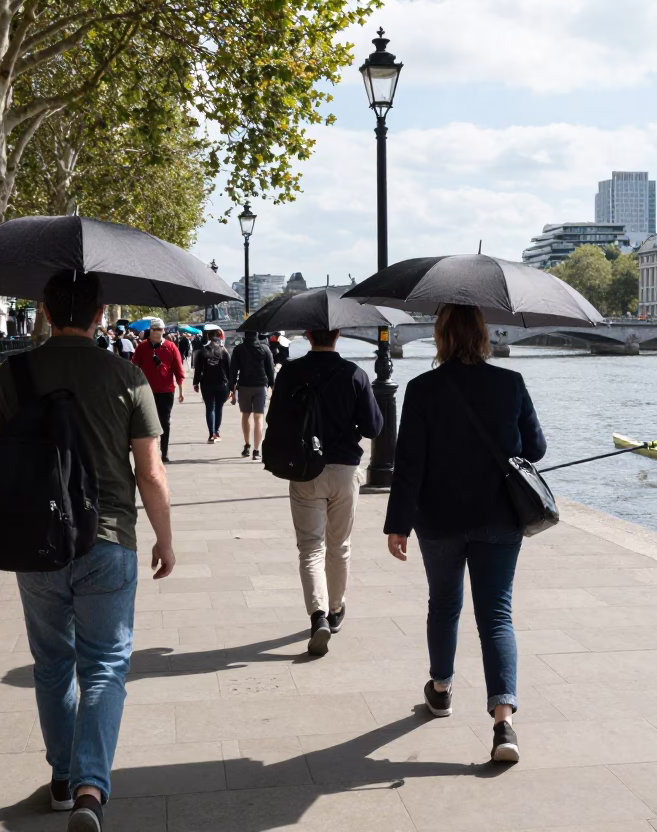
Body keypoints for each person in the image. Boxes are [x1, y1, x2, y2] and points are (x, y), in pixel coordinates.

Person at [0, 271, 174, 831]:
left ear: (42, 309)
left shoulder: (17, 374)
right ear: (100, 312)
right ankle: (91, 787)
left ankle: (62, 777)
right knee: (106, 665)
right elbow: (151, 474)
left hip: (37, 541)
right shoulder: (128, 374)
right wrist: (164, 538)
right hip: (109, 538)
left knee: (52, 663)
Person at [384, 304, 546, 763]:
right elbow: (535, 447)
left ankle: (441, 689)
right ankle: (504, 723)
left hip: (438, 520)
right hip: (499, 517)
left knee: (444, 604)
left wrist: (397, 523)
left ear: (440, 337)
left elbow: (408, 465)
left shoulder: (421, 389)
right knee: (496, 615)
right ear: (482, 335)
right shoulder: (510, 383)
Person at [277, 329, 383, 656]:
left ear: (307, 335)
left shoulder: (291, 372)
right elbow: (373, 428)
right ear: (337, 334)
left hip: (305, 468)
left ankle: (318, 615)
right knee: (340, 545)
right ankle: (336, 610)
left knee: (311, 548)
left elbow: (275, 420)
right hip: (344, 469)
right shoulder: (355, 374)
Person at [131, 320, 184, 464]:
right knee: (147, 422)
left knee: (164, 421)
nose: (156, 332)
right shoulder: (142, 347)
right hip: (145, 390)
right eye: (153, 329)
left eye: (159, 329)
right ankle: (151, 451)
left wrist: (181, 390)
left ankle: (164, 452)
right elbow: (133, 367)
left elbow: (178, 369)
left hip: (166, 391)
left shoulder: (170, 347)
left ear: (164, 330)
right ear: (150, 330)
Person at [229, 329, 275, 461]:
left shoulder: (238, 349)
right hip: (261, 387)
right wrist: (273, 386)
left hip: (244, 386)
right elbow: (270, 370)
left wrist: (231, 388)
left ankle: (247, 445)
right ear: (257, 335)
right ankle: (257, 450)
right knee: (258, 417)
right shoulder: (265, 349)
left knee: (245, 415)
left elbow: (233, 370)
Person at [192, 326, 231, 443]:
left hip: (206, 383)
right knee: (219, 407)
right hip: (222, 383)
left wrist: (196, 383)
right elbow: (229, 370)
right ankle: (217, 432)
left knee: (210, 408)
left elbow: (198, 369)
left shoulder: (202, 351)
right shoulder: (224, 351)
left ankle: (211, 434)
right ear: (219, 337)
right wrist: (232, 386)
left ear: (208, 337)